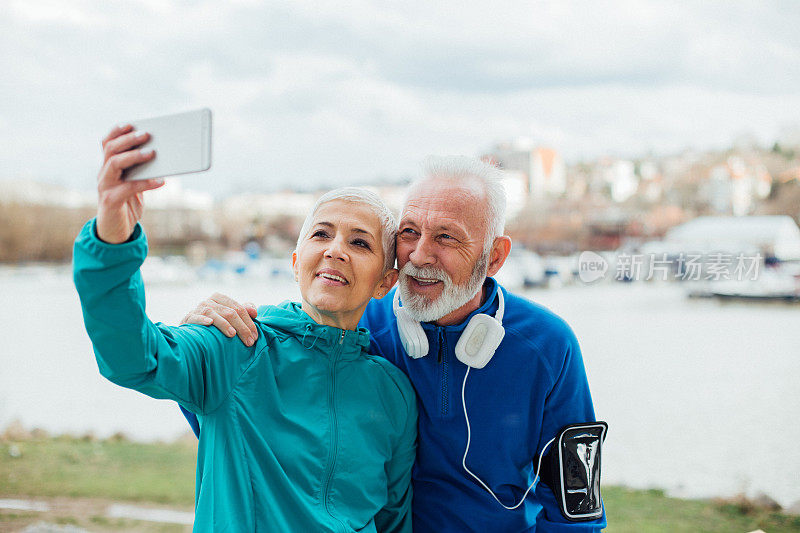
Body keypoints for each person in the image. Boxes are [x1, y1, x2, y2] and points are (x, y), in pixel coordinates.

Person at [182, 156, 607, 532]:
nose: (419, 256)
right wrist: (207, 338)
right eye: (410, 232)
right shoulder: (354, 323)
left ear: (494, 256)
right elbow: (239, 416)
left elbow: (577, 509)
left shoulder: (550, 347)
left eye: (446, 237)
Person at [73, 124, 418, 532]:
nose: (335, 250)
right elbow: (132, 356)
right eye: (321, 234)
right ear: (295, 262)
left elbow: (394, 520)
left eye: (360, 243)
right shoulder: (236, 345)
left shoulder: (394, 394)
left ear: (385, 282)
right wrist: (113, 239)